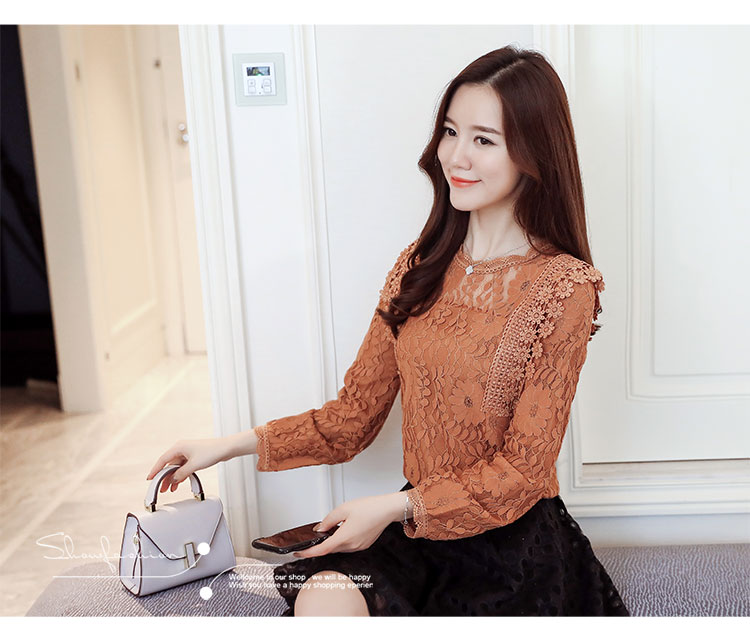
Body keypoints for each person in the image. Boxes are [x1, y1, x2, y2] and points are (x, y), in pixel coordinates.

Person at [147, 44, 629, 617]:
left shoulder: (563, 289)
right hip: (416, 535)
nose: (457, 156)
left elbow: (522, 472)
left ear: (533, 153)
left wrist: (394, 509)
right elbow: (352, 417)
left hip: (514, 550)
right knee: (324, 598)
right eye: (450, 132)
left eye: (484, 140)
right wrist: (225, 446)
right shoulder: (418, 266)